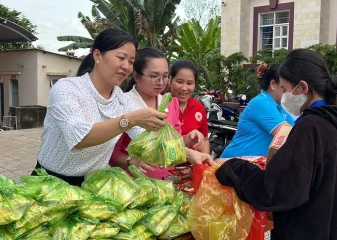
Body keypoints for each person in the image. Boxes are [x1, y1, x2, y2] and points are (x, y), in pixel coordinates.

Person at [215, 49, 337, 240]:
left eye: (285, 89)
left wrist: (234, 168)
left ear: (302, 88)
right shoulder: (334, 123)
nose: (283, 95)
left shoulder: (310, 127)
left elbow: (278, 191)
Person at [34, 29, 167, 186]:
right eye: (121, 58)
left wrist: (189, 150)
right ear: (97, 55)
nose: (126, 66)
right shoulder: (66, 88)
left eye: (131, 62)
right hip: (49, 182)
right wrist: (129, 120)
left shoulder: (122, 99)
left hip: (93, 184)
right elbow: (80, 138)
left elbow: (147, 140)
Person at [109, 48, 212, 179]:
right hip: (134, 183)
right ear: (136, 76)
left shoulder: (170, 103)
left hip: (166, 182)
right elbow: (111, 152)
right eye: (154, 76)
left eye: (164, 76)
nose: (161, 82)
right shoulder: (121, 104)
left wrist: (189, 139)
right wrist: (132, 161)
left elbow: (173, 144)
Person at [220, 63, 294, 158]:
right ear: (273, 84)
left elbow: (297, 131)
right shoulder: (260, 103)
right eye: (284, 86)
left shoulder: (280, 107)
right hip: (234, 165)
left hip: (251, 166)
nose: (290, 91)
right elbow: (286, 133)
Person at [169, 60, 210, 154]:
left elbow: (204, 138)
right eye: (179, 82)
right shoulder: (160, 104)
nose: (184, 88)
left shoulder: (199, 108)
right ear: (170, 80)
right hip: (165, 164)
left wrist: (204, 162)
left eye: (189, 83)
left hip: (192, 165)